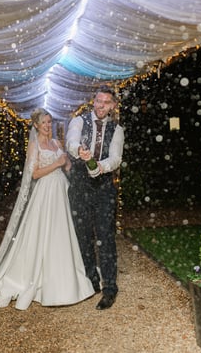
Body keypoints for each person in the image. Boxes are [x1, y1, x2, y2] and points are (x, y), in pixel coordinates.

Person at [0, 108, 94, 310]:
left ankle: (64, 277)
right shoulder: (34, 145)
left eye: (50, 122)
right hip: (45, 194)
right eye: (45, 123)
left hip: (61, 193)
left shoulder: (56, 143)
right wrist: (56, 163)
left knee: (61, 233)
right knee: (44, 233)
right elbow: (35, 174)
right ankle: (39, 278)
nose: (49, 126)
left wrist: (74, 165)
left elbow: (67, 167)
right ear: (37, 125)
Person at [66, 86, 124, 310]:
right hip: (80, 185)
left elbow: (116, 158)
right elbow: (71, 141)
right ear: (94, 102)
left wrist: (102, 166)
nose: (101, 105)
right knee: (83, 236)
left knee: (106, 238)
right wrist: (78, 150)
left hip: (104, 188)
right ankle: (91, 279)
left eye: (106, 102)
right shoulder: (79, 121)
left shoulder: (117, 129)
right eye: (98, 101)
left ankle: (110, 288)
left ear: (112, 106)